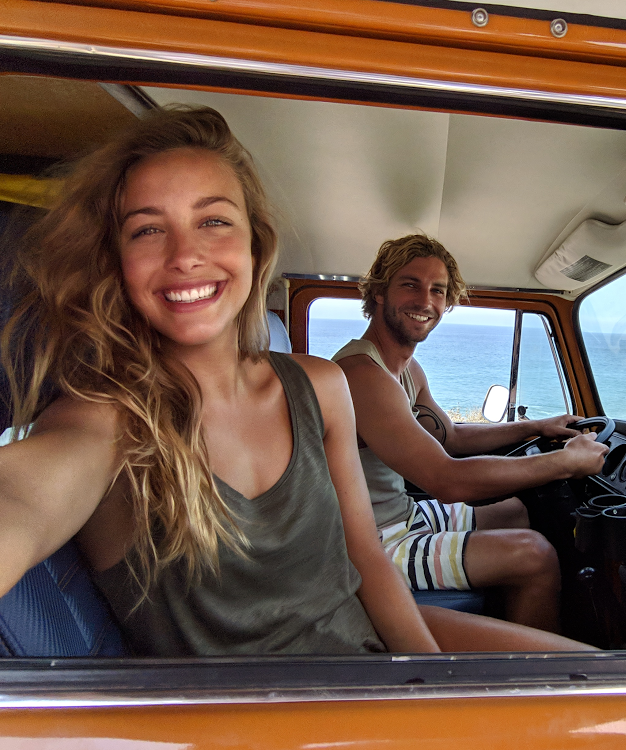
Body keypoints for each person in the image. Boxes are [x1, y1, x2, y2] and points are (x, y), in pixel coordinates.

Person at [0, 105, 589, 655]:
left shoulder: (320, 384)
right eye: (147, 230)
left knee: (589, 674)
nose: (186, 254)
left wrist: (429, 682)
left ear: (256, 247)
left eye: (213, 220)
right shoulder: (107, 424)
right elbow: (21, 499)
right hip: (285, 710)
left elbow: (364, 557)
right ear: (117, 262)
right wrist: (563, 461)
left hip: (365, 643)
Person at [333, 235, 609, 633]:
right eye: (409, 284)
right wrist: (564, 462)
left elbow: (451, 439)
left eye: (438, 290)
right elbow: (445, 479)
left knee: (517, 510)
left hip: (401, 516)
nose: (425, 301)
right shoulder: (361, 374)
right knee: (535, 554)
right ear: (379, 293)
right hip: (368, 546)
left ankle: (506, 625)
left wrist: (535, 427)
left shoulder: (406, 370)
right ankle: (519, 685)